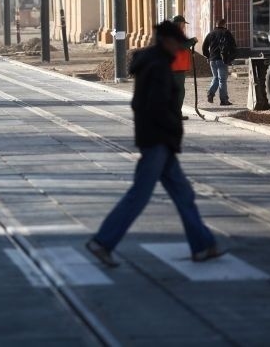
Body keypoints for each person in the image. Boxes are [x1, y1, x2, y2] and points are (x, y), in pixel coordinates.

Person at [86, 21, 223, 268]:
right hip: (158, 142)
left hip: (160, 142)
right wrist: (169, 132)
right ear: (167, 41)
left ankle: (203, 245)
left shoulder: (154, 62)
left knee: (184, 195)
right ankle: (102, 242)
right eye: (177, 43)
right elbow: (157, 107)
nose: (179, 48)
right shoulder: (158, 67)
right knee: (139, 196)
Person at [201, 19, 237, 106]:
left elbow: (204, 47)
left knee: (215, 78)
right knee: (222, 80)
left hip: (212, 60)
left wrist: (208, 56)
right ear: (224, 24)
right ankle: (224, 100)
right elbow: (233, 46)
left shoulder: (211, 34)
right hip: (222, 60)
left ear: (216, 24)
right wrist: (230, 58)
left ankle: (210, 93)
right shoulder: (226, 33)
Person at [170, 15, 198, 120]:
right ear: (179, 24)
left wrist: (190, 41)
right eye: (183, 24)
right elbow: (181, 46)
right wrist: (192, 41)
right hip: (176, 68)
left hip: (172, 67)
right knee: (179, 92)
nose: (184, 26)